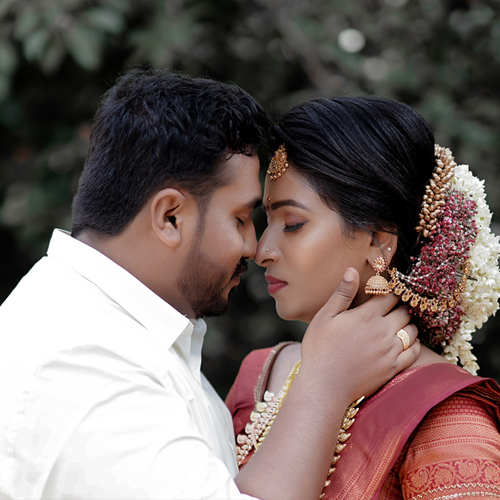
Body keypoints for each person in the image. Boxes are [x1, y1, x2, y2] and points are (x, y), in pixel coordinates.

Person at [0, 72, 420, 500]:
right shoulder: (83, 361)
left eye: (289, 224)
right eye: (241, 218)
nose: (254, 248)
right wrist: (325, 385)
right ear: (170, 217)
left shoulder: (117, 335)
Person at [226, 96, 500, 500]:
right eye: (267, 221)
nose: (261, 249)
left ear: (377, 240)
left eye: (294, 223)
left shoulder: (445, 415)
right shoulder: (258, 377)